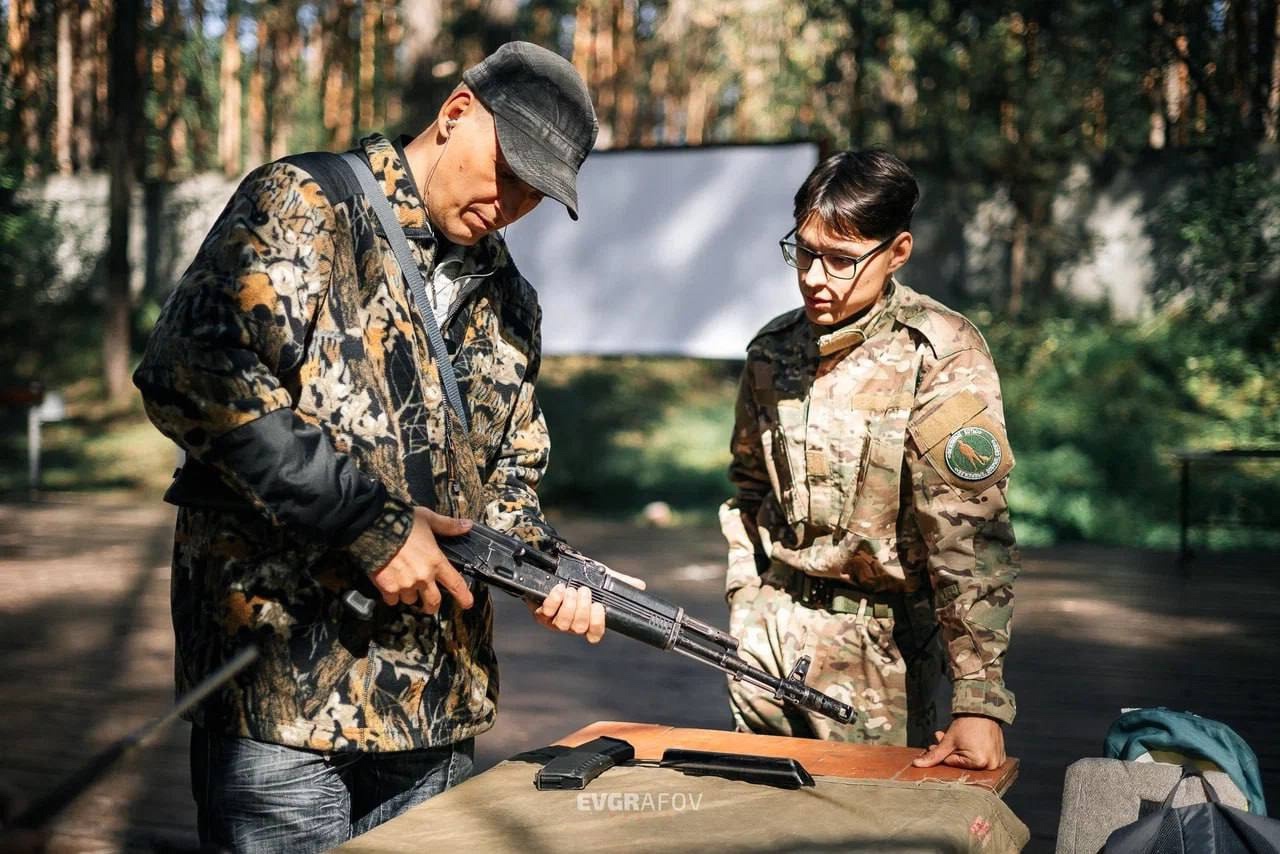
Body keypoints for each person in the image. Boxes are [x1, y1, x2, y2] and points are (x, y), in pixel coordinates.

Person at [134, 42, 633, 851]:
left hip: (433, 704)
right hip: (285, 693)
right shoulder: (308, 204)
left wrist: (551, 570)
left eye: (535, 192)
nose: (510, 203)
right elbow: (193, 371)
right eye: (507, 170)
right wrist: (370, 522)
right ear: (457, 112)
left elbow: (507, 478)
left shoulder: (510, 299)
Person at [720, 149, 1019, 771]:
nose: (814, 277)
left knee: (869, 821)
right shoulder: (773, 350)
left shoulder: (939, 353)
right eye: (803, 252)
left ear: (898, 251)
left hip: (881, 657)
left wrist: (979, 699)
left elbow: (968, 537)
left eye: (842, 259)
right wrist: (746, 601)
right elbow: (748, 490)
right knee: (752, 813)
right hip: (766, 643)